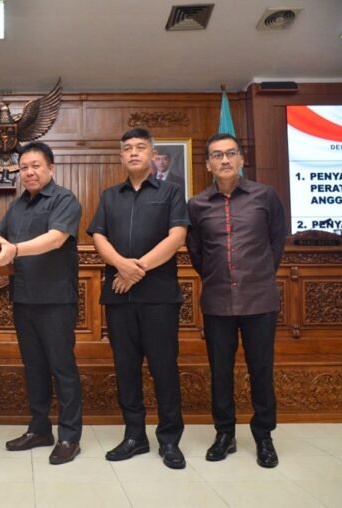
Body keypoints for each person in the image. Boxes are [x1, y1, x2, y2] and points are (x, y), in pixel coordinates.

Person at [0, 141, 83, 465]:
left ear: (51, 169)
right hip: (23, 299)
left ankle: (70, 436)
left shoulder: (64, 200)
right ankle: (39, 429)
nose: (29, 172)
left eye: (36, 166)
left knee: (63, 369)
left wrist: (16, 250)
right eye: (24, 167)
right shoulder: (18, 206)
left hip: (56, 300)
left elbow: (56, 238)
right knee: (34, 369)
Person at [88, 128, 188, 469]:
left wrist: (136, 269)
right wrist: (119, 265)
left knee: (164, 370)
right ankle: (134, 436)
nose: (133, 152)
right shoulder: (109, 196)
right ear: (121, 156)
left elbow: (176, 237)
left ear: (152, 154)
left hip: (159, 297)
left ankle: (170, 440)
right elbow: (98, 235)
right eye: (127, 148)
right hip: (118, 298)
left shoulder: (171, 192)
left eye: (140, 147)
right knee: (126, 369)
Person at [186, 133, 286, 468]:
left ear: (242, 159)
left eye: (231, 154)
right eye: (217, 155)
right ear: (208, 164)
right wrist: (221, 279)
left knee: (261, 370)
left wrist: (255, 276)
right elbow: (197, 253)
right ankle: (224, 434)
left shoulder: (265, 196)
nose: (224, 160)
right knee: (221, 372)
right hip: (216, 302)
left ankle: (264, 436)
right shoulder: (197, 205)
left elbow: (276, 244)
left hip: (260, 300)